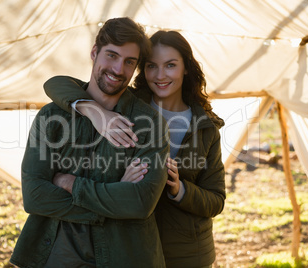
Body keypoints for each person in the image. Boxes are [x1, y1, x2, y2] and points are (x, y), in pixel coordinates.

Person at [44, 30, 226, 268]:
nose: (160, 75)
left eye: (170, 65)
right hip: (133, 248)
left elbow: (216, 200)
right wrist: (95, 112)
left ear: (186, 68)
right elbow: (55, 84)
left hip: (187, 254)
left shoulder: (206, 127)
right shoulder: (122, 106)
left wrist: (180, 189)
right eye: (151, 66)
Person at [10, 18, 170, 268]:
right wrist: (115, 198)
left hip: (125, 255)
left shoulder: (148, 124)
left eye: (129, 62)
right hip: (57, 255)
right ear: (94, 52)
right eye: (111, 55)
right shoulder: (52, 117)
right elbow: (34, 196)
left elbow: (139, 203)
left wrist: (68, 182)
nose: (118, 69)